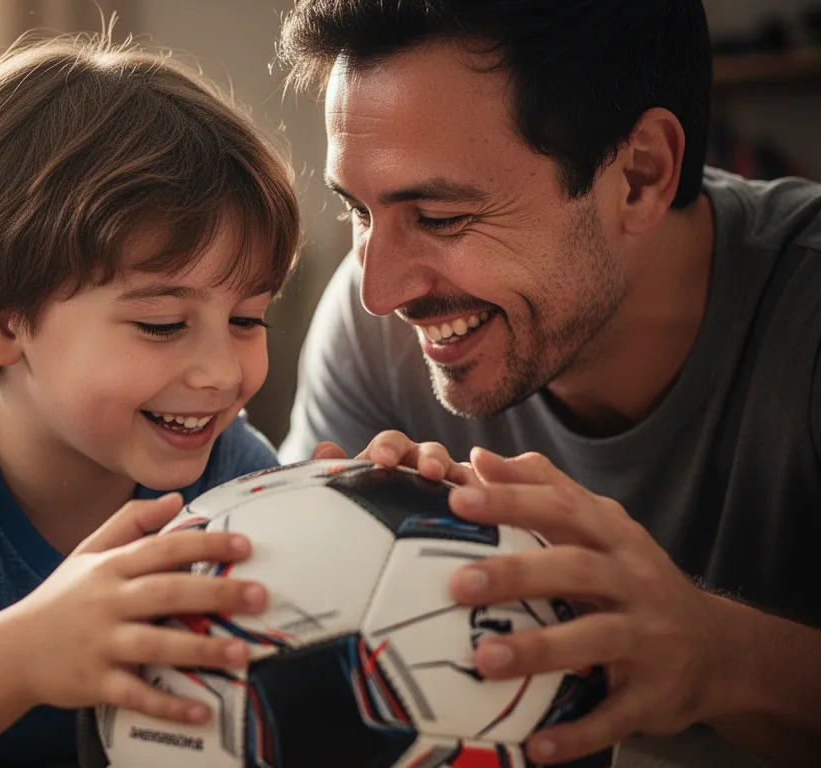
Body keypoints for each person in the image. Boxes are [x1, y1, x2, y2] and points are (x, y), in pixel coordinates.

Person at [0, 33, 463, 767]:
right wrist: (23, 654)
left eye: (247, 319)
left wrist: (380, 524)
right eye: (162, 324)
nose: (220, 373)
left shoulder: (233, 472)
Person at [276, 1, 821, 766]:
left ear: (639, 175)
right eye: (359, 212)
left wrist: (723, 656)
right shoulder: (372, 333)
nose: (381, 291)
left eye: (437, 215)